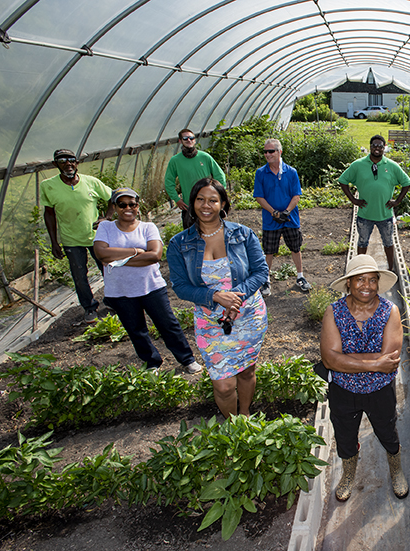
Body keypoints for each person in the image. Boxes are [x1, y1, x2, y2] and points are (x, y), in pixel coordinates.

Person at [167, 178, 269, 418]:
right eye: (200, 199)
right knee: (223, 385)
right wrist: (214, 296)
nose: (206, 205)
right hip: (210, 321)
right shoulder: (180, 244)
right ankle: (231, 421)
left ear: (222, 203)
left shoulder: (243, 235)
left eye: (213, 200)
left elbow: (261, 271)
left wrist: (235, 299)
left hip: (248, 316)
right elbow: (180, 287)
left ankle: (244, 417)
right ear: (192, 204)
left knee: (246, 371)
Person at [320, 254, 408, 501]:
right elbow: (330, 360)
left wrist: (348, 359)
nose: (366, 286)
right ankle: (348, 475)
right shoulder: (333, 311)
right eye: (360, 280)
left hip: (379, 390)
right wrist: (375, 362)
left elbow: (389, 360)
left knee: (388, 431)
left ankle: (396, 469)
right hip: (343, 391)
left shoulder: (390, 311)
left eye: (372, 280)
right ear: (349, 283)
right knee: (345, 436)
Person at [93, 188, 202, 374]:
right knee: (136, 329)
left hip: (151, 286)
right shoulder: (106, 227)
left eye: (132, 204)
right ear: (114, 207)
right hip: (120, 290)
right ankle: (151, 362)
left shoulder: (147, 227)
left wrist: (116, 260)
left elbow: (155, 255)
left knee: (167, 324)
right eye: (122, 204)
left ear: (138, 206)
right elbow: (101, 253)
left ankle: (187, 359)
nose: (128, 208)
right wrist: (136, 251)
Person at [40, 149, 113, 324]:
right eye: (62, 160)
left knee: (108, 270)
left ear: (77, 163)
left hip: (96, 237)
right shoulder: (48, 186)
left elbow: (113, 197)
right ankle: (89, 308)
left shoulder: (91, 182)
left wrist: (107, 218)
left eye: (72, 160)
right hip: (71, 239)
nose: (68, 164)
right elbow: (49, 214)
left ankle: (113, 301)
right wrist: (54, 242)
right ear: (55, 164)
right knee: (79, 276)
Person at [339, 135, 410, 273]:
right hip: (365, 213)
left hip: (384, 214)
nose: (377, 148)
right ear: (370, 147)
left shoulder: (391, 166)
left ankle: (390, 269)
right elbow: (343, 180)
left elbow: (407, 183)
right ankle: (360, 268)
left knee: (389, 243)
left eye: (380, 146)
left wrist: (397, 201)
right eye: (374, 145)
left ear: (384, 148)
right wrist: (353, 200)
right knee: (362, 243)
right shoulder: (358, 165)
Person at [253, 138, 312, 297]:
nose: (267, 154)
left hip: (290, 219)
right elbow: (259, 196)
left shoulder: (291, 172)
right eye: (265, 151)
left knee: (295, 247)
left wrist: (286, 212)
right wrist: (274, 212)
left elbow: (296, 195)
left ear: (280, 152)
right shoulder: (261, 173)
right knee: (269, 250)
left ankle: (300, 276)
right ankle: (266, 279)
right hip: (270, 220)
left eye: (271, 151)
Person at [164, 128, 226, 228]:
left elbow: (220, 175)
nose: (189, 140)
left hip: (208, 204)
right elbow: (168, 181)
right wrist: (176, 199)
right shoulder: (175, 160)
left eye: (191, 138)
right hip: (189, 206)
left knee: (213, 233)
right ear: (180, 141)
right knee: (190, 236)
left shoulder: (205, 157)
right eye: (185, 138)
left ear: (195, 140)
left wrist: (219, 194)